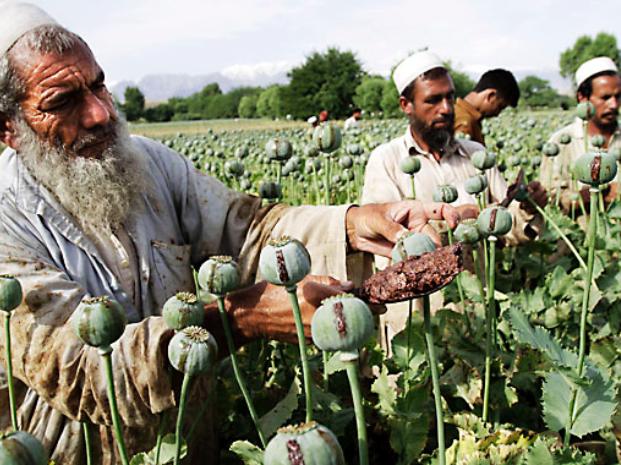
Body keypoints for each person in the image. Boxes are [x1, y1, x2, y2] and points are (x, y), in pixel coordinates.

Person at [0, 3, 460, 464]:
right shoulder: (5, 220)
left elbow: (249, 230)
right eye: (62, 101)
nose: (100, 114)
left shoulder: (148, 163)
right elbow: (82, 370)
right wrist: (240, 319)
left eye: (98, 84)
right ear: (9, 128)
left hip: (195, 441)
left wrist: (353, 223)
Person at [361, 50, 546, 350]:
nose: (446, 109)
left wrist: (525, 207)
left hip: (476, 317)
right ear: (406, 105)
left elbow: (506, 229)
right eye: (433, 100)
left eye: (450, 97)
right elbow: (383, 245)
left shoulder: (476, 155)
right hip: (417, 328)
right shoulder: (386, 160)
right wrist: (453, 222)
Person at [540, 56, 621, 210]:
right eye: (605, 97)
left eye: (618, 96)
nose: (614, 104)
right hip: (579, 232)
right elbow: (549, 197)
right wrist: (598, 194)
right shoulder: (560, 142)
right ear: (582, 98)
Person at [454, 69, 520, 145]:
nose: (497, 114)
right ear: (491, 96)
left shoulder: (457, 112)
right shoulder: (464, 123)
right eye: (500, 107)